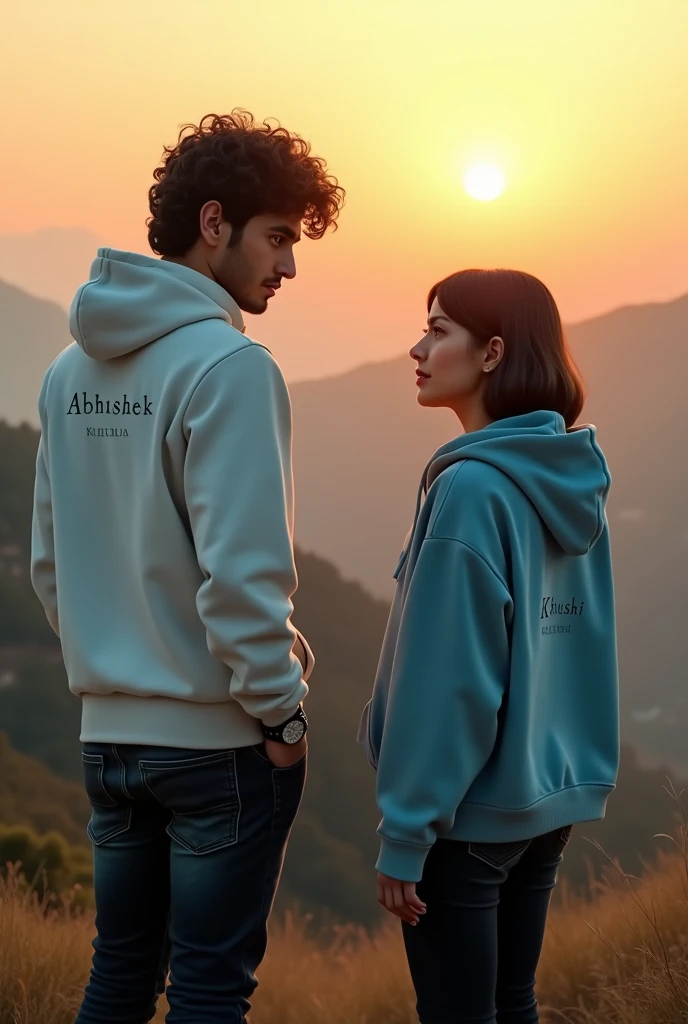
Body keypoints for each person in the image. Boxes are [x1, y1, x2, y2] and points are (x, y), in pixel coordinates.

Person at [30, 110, 344, 1023]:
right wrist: (281, 712)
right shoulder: (231, 369)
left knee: (119, 976)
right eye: (278, 239)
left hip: (107, 741)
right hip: (217, 745)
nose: (288, 267)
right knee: (209, 989)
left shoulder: (65, 371)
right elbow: (244, 581)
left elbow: (52, 565)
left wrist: (117, 671)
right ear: (214, 223)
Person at [358, 269, 619, 1023]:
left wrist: (406, 833)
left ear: (493, 352)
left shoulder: (472, 491)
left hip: (465, 818)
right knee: (512, 1004)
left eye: (439, 330)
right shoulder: (569, 475)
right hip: (541, 803)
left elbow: (450, 684)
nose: (418, 347)